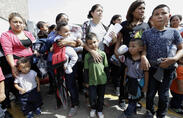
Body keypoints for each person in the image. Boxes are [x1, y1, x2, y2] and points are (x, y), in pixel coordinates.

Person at [141, 4, 183, 118]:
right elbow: (144, 50)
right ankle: (149, 111)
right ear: (152, 18)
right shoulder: (146, 33)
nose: (160, 16)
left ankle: (161, 114)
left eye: (163, 13)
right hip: (152, 69)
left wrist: (173, 59)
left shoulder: (174, 32)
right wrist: (143, 57)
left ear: (169, 16)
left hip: (168, 70)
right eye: (156, 14)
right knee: (150, 93)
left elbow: (181, 49)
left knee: (164, 95)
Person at [0, 12, 38, 113]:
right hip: (19, 64)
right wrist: (13, 66)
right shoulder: (6, 35)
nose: (18, 24)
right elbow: (8, 52)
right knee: (22, 86)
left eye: (20, 22)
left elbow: (33, 44)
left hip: (31, 61)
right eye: (15, 22)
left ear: (24, 24)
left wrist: (35, 51)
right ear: (10, 23)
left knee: (33, 81)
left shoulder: (28, 33)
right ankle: (26, 107)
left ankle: (36, 103)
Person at [115, 0, 149, 109]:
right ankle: (122, 98)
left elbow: (145, 44)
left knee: (137, 80)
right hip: (125, 58)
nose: (142, 11)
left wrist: (143, 56)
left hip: (138, 59)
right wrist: (116, 52)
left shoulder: (145, 26)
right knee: (124, 79)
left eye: (143, 8)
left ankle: (135, 99)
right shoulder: (124, 24)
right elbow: (118, 40)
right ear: (132, 10)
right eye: (139, 8)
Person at [121, 38, 148, 117]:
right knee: (130, 98)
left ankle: (127, 113)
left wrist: (145, 86)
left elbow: (146, 73)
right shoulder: (128, 58)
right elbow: (126, 69)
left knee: (133, 100)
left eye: (133, 46)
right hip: (129, 81)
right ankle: (134, 110)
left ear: (140, 48)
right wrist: (124, 79)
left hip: (137, 84)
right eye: (129, 46)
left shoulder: (143, 61)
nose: (130, 48)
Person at [84, 32, 108, 118]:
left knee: (101, 97)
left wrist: (107, 79)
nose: (93, 45)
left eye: (94, 42)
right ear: (87, 45)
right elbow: (86, 70)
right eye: (90, 44)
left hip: (102, 80)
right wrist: (86, 81)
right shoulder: (87, 56)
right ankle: (93, 108)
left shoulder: (103, 54)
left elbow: (106, 68)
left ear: (98, 41)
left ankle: (100, 110)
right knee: (92, 97)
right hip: (91, 81)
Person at [107, 14, 122, 96]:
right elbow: (108, 43)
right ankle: (116, 87)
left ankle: (116, 86)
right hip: (112, 53)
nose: (120, 21)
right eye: (118, 19)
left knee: (117, 71)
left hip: (120, 53)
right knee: (115, 70)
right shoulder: (111, 29)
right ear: (113, 21)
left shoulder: (121, 29)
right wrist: (115, 40)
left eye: (121, 20)